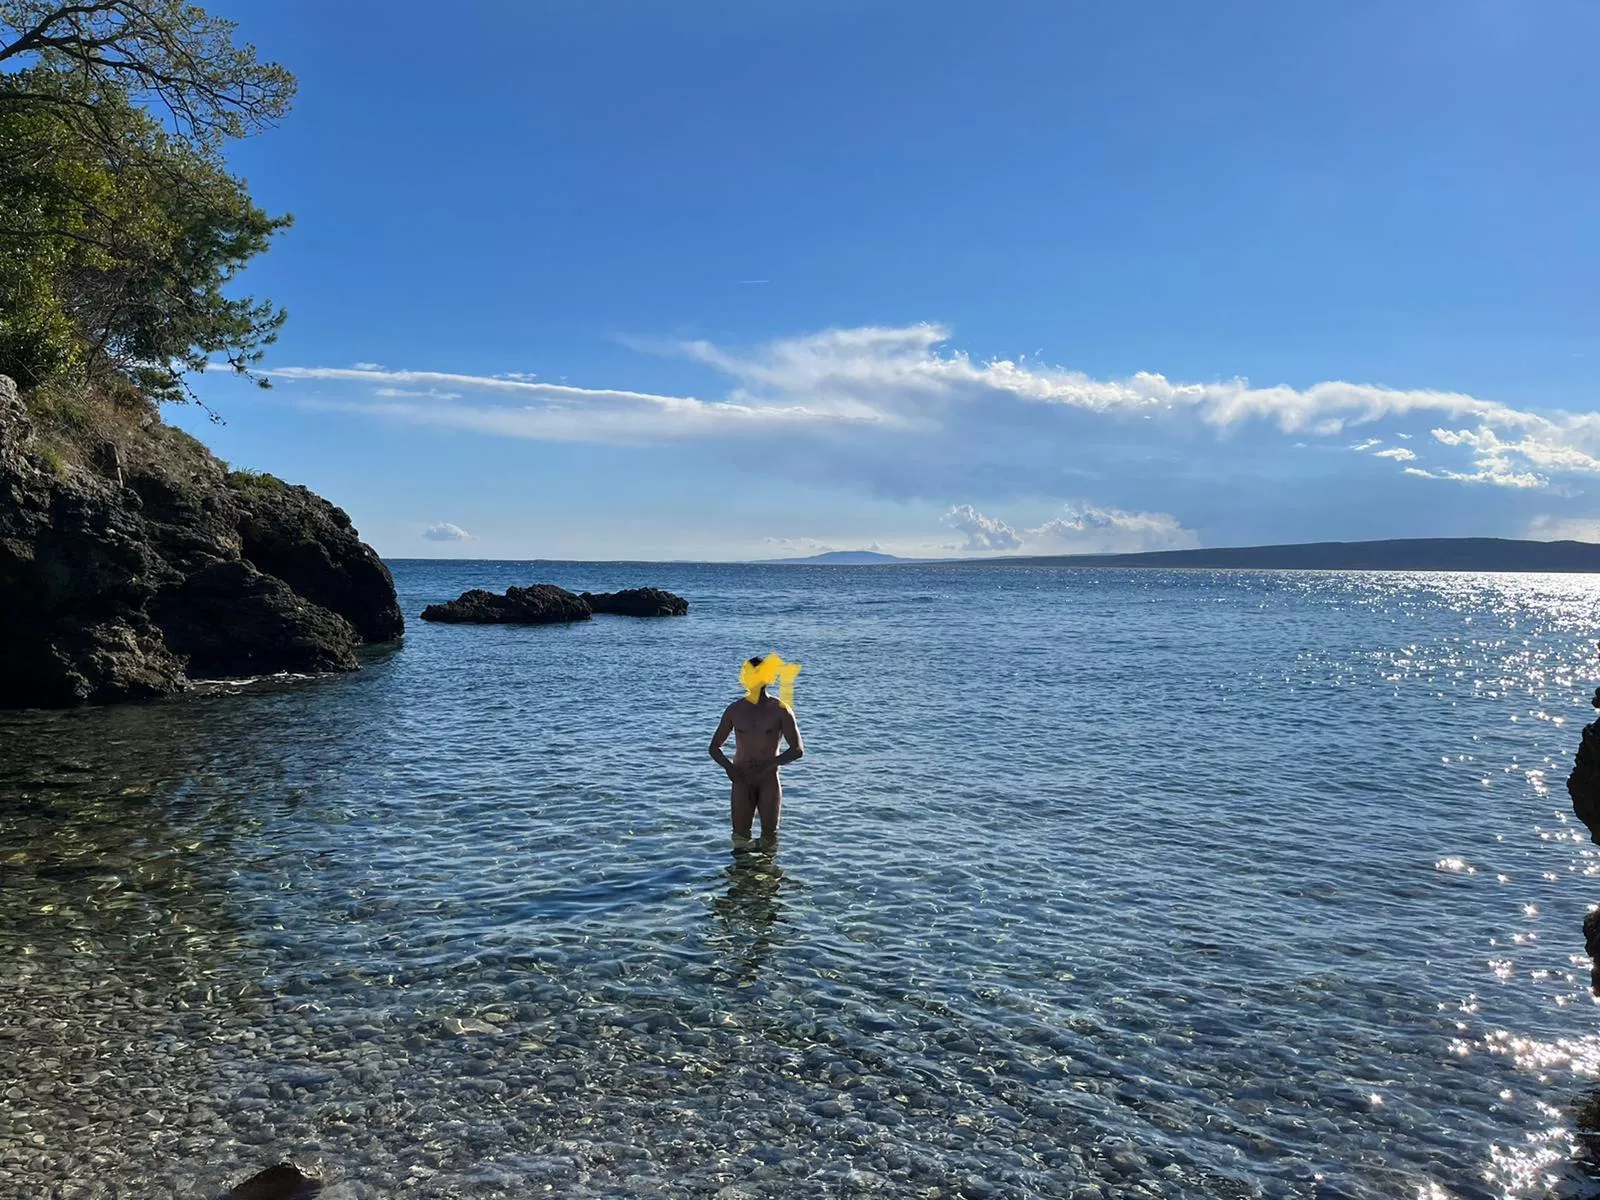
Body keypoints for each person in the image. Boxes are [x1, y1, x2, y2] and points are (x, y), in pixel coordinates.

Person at [708, 654, 804, 847]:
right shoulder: (735, 710)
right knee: (740, 835)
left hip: (768, 778)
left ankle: (767, 875)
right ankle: (742, 875)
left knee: (770, 835)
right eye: (749, 674)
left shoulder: (780, 710)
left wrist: (768, 764)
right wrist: (729, 768)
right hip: (741, 777)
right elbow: (714, 747)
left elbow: (797, 749)